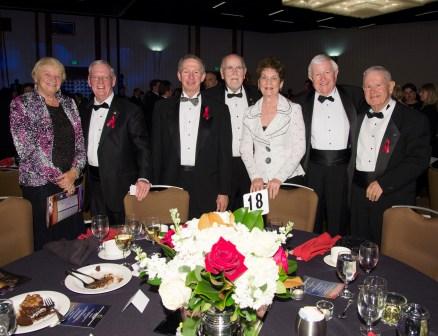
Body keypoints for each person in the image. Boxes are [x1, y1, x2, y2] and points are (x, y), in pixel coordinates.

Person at [10, 57, 86, 250]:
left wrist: (74, 172)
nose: (53, 79)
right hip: (41, 186)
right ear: (35, 76)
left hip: (70, 182)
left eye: (58, 75)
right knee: (46, 243)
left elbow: (79, 143)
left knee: (72, 237)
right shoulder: (22, 104)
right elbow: (27, 149)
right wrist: (61, 178)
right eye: (47, 74)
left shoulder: (69, 103)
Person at [351, 66, 430, 245]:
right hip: (358, 197)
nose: (373, 91)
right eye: (367, 87)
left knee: (391, 253)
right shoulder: (357, 116)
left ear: (391, 86)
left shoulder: (414, 119)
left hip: (392, 197)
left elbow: (418, 160)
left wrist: (384, 183)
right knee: (359, 248)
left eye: (378, 85)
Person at [152, 54, 232, 219]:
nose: (190, 77)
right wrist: (155, 186)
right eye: (186, 72)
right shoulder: (161, 108)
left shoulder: (220, 110)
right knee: (171, 236)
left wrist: (224, 191)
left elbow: (224, 154)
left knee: (204, 236)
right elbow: (156, 150)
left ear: (202, 77)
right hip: (171, 182)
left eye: (195, 72)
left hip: (207, 185)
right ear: (179, 75)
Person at [298, 54, 365, 236]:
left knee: (339, 217)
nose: (322, 78)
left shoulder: (355, 96)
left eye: (327, 72)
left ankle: (338, 254)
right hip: (312, 168)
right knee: (312, 217)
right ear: (311, 78)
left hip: (342, 168)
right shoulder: (299, 103)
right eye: (317, 74)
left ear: (336, 74)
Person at [80, 60, 151, 226]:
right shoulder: (83, 109)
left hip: (120, 186)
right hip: (93, 183)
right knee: (98, 235)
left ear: (113, 81)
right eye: (95, 77)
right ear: (89, 81)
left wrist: (144, 177)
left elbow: (143, 148)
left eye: (105, 77)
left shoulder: (130, 110)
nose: (100, 82)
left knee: (122, 236)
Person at [240, 57, 305, 200]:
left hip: (288, 181)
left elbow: (299, 149)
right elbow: (245, 149)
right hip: (258, 183)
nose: (268, 82)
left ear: (281, 84)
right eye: (264, 78)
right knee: (258, 223)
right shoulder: (249, 112)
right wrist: (255, 177)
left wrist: (278, 179)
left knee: (286, 223)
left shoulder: (293, 109)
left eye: (274, 78)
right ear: (258, 83)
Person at [205, 53, 261, 209]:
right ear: (222, 74)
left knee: (253, 219)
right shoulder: (208, 98)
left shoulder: (259, 95)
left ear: (245, 73)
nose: (235, 72)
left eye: (239, 68)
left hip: (253, 168)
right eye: (229, 68)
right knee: (221, 219)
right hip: (221, 168)